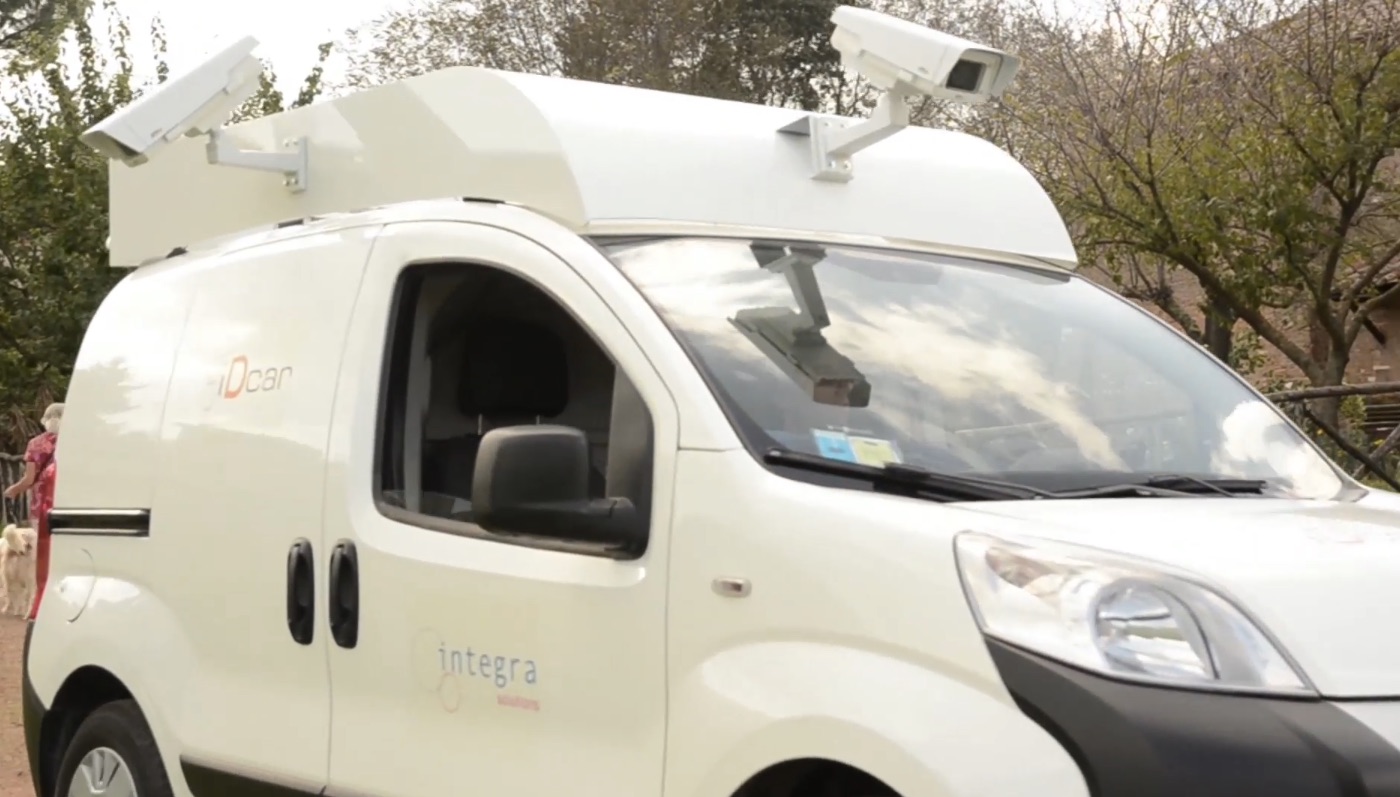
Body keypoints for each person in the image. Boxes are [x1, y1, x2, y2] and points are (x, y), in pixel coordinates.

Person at [5, 403, 62, 526]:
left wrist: (13, 490)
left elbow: (29, 479)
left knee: (41, 540)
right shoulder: (77, 442)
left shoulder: (36, 444)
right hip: (69, 499)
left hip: (43, 500)